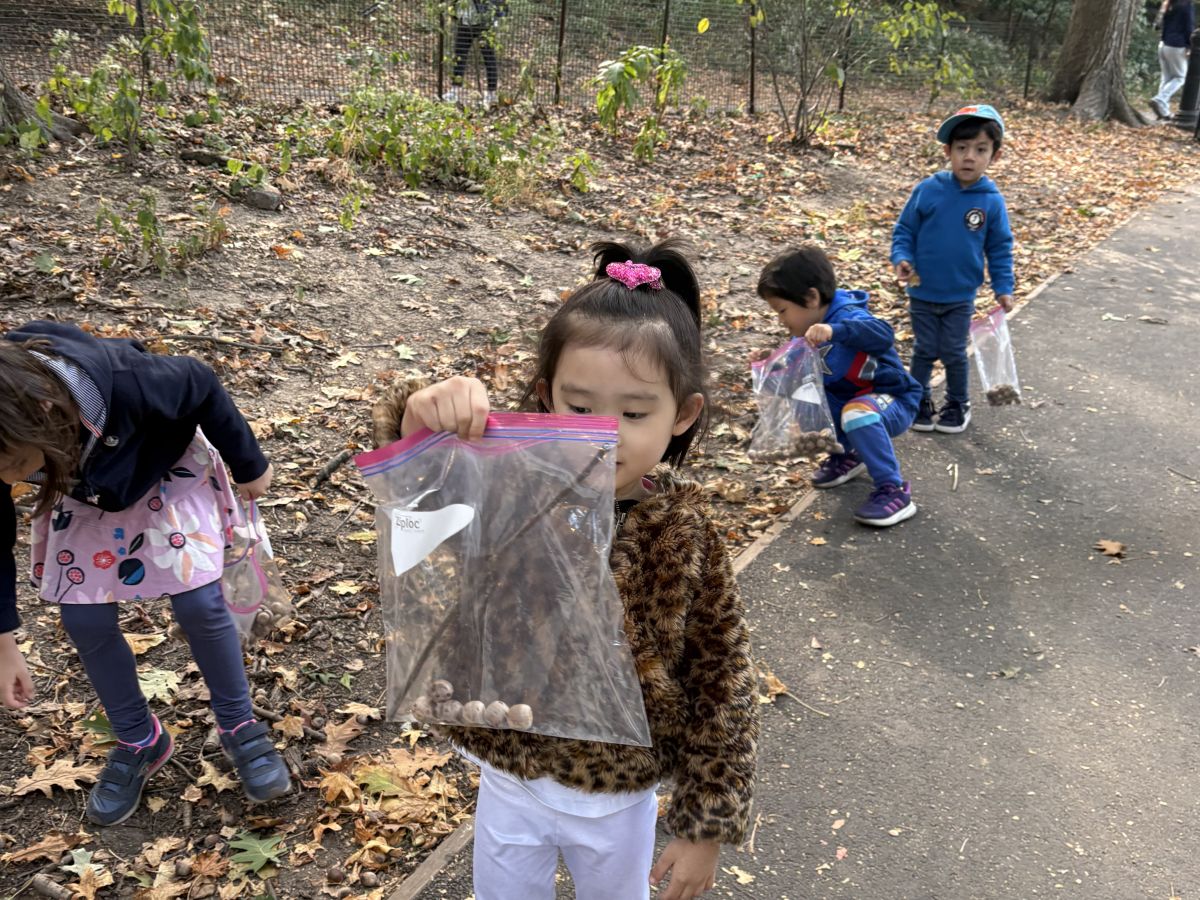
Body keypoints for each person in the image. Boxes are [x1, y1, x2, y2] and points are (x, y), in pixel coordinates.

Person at [371, 238, 759, 900]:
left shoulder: (684, 535)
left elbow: (722, 683)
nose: (603, 434)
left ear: (683, 414)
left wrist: (706, 827)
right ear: (546, 397)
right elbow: (422, 511)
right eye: (580, 408)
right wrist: (418, 428)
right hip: (508, 774)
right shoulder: (508, 490)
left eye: (634, 413)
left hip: (618, 797)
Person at [0, 321, 291, 826]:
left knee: (199, 603)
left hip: (163, 472)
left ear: (44, 413)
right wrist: (3, 641)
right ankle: (140, 737)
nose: (7, 480)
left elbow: (200, 381)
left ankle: (238, 724)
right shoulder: (9, 440)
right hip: (85, 493)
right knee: (84, 618)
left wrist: (249, 465)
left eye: (12, 466)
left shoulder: (132, 381)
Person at [756, 245, 922, 528]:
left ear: (811, 297)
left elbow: (883, 334)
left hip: (894, 399)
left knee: (856, 412)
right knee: (806, 400)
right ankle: (847, 455)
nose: (781, 320)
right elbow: (789, 383)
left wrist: (836, 331)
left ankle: (893, 489)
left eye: (783, 310)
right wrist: (767, 368)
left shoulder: (849, 315)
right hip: (849, 401)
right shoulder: (805, 336)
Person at [891, 103, 1014, 435]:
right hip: (922, 290)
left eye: (980, 149)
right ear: (948, 151)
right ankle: (917, 401)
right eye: (961, 148)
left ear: (995, 155)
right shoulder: (929, 189)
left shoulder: (991, 201)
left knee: (954, 352)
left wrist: (1003, 288)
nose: (969, 157)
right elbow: (905, 230)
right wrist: (902, 258)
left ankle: (958, 403)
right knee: (924, 350)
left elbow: (999, 248)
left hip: (960, 295)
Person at [444, 0, 507, 110]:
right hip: (466, 20)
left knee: (489, 58)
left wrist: (496, 17)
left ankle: (491, 94)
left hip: (484, 22)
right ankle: (454, 91)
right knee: (459, 56)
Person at [1150, 0, 1195, 119]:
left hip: (1163, 44)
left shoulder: (1168, 3)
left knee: (1166, 78)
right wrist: (1190, 45)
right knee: (1180, 77)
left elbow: (1159, 25)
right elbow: (1188, 26)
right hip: (1177, 46)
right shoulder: (1186, 5)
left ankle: (1163, 111)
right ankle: (1160, 99)